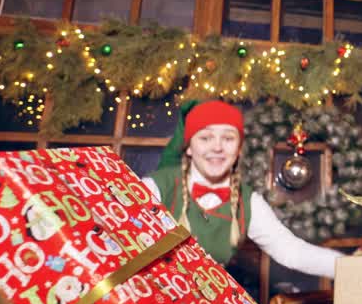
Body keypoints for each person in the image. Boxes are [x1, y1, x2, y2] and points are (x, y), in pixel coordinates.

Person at [141, 99, 342, 279]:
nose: (217, 147)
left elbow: (292, 252)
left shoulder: (249, 202)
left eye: (228, 138)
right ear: (189, 147)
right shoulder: (156, 187)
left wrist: (352, 267)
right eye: (205, 138)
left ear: (238, 150)